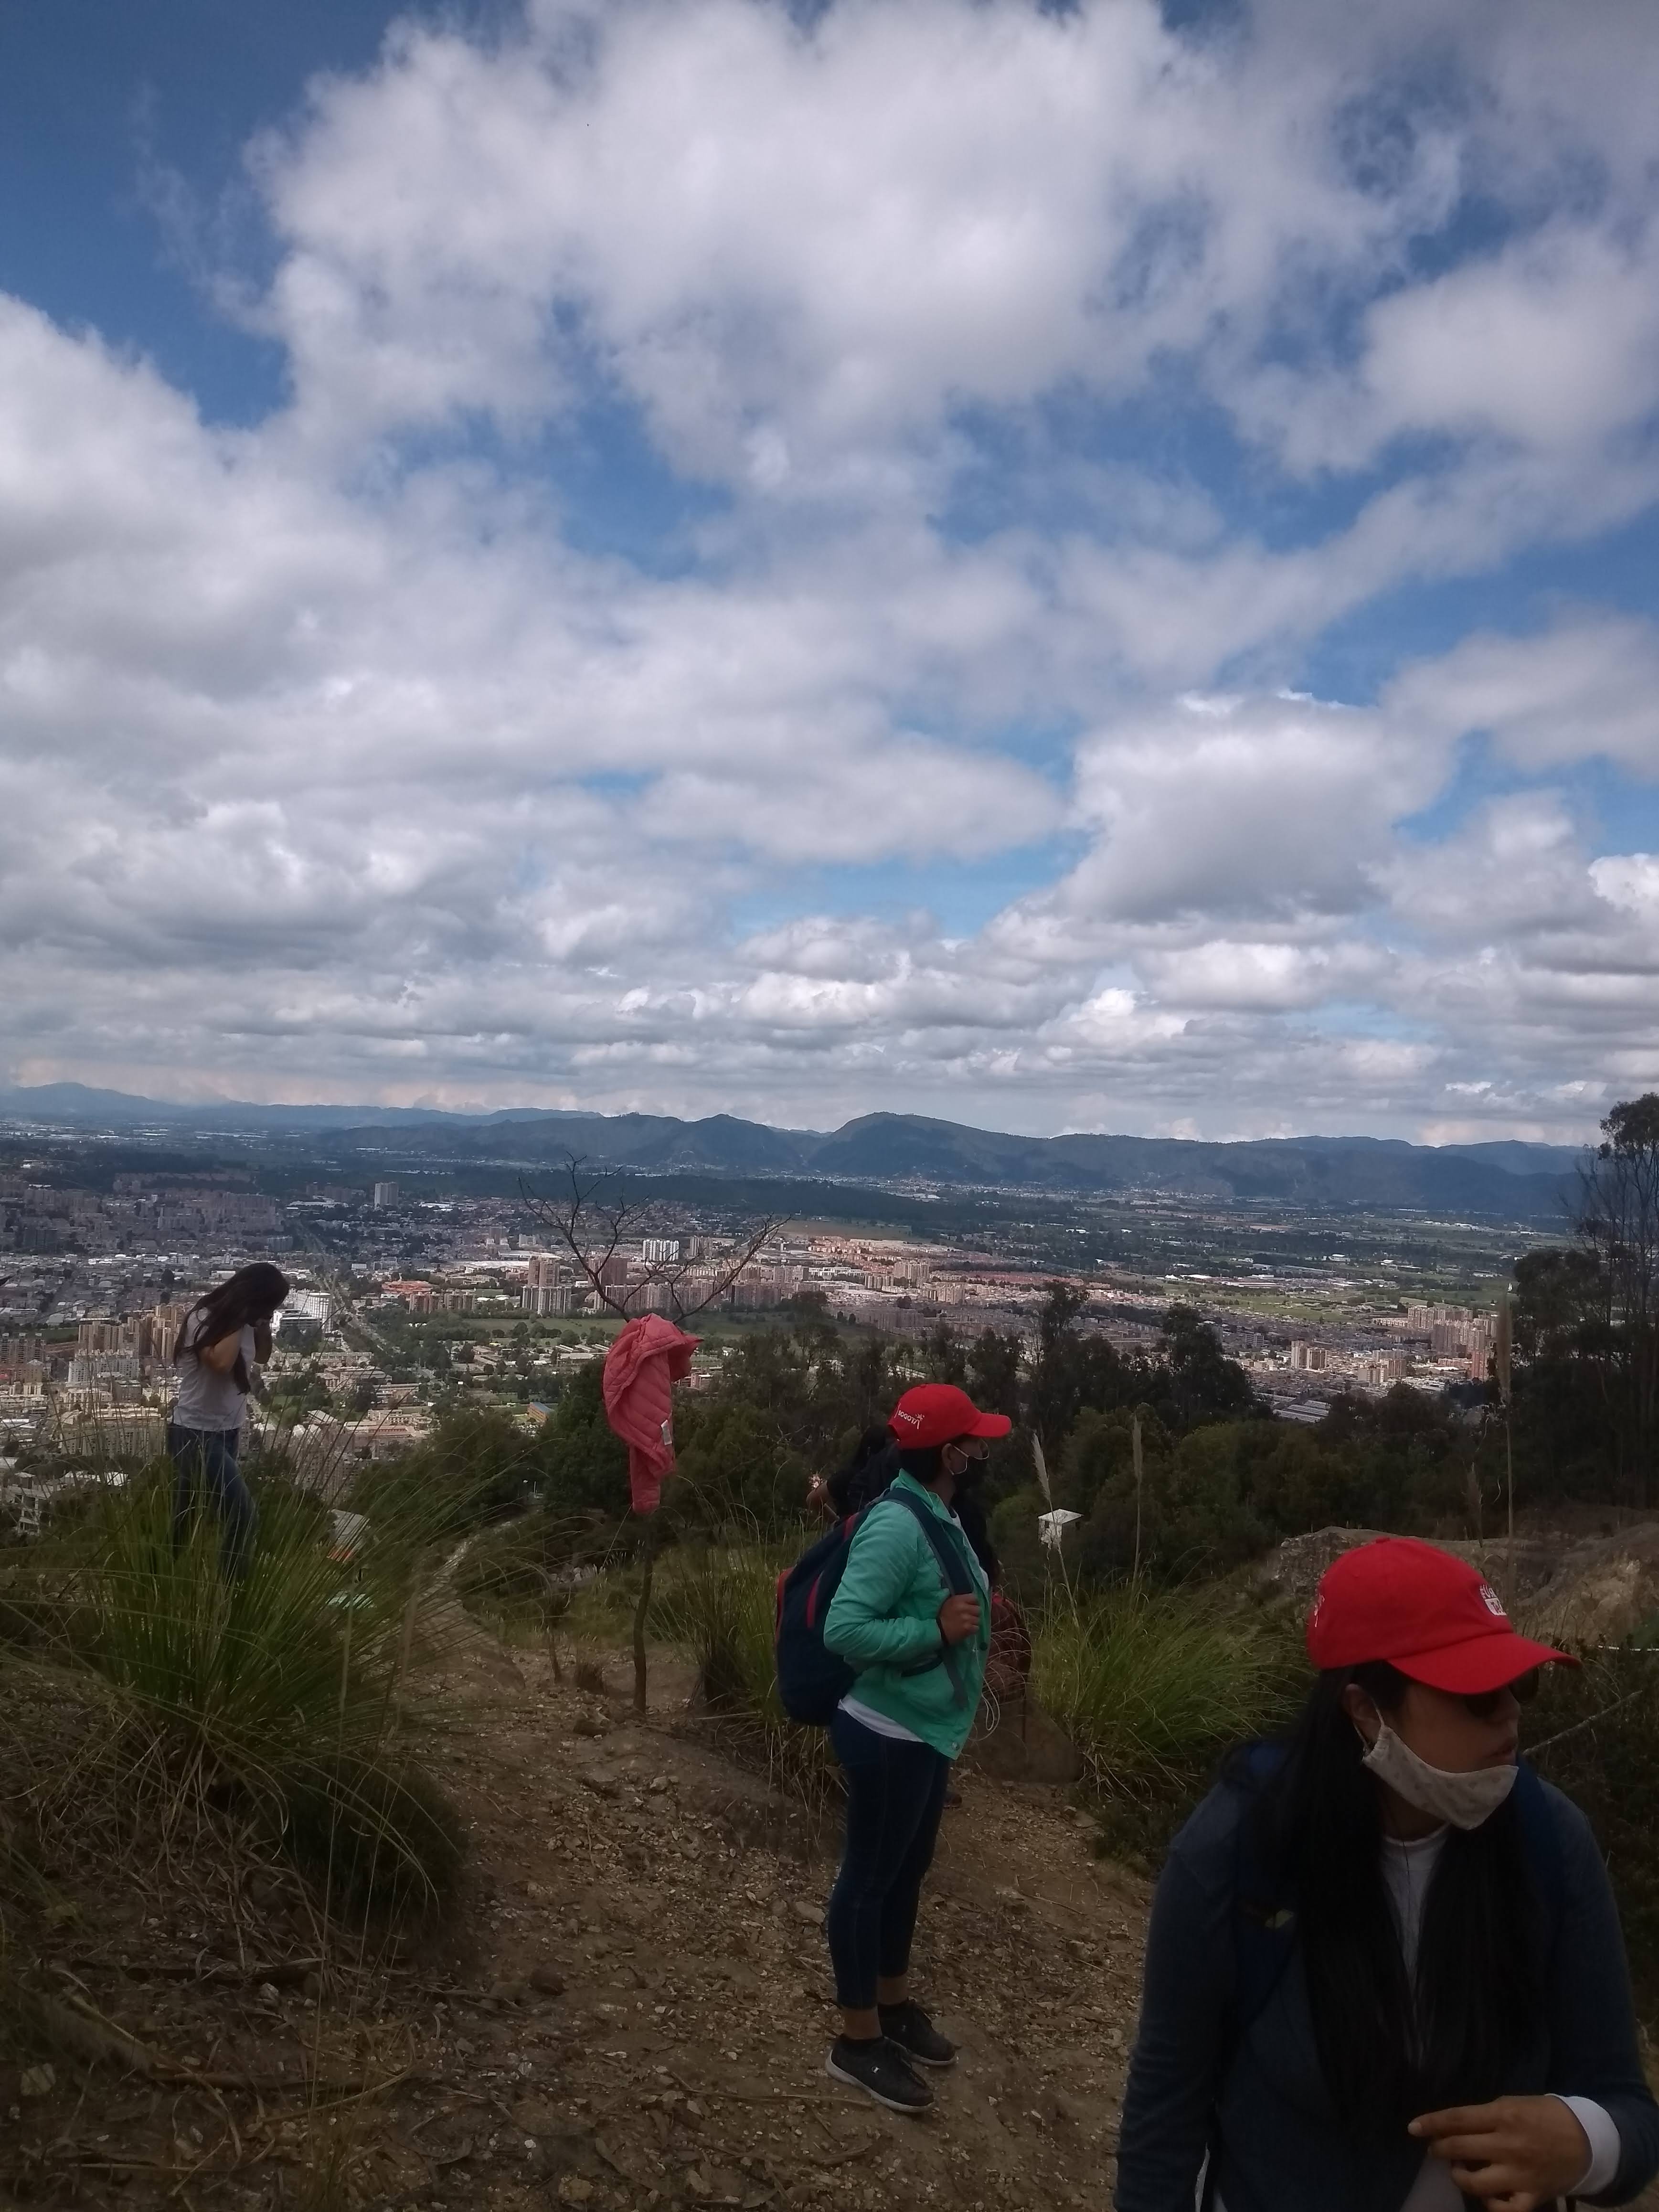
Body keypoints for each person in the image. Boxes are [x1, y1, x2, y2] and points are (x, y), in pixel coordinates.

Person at [1115, 1535, 1659, 2212]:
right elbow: (1163, 2118)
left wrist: (1584, 2144)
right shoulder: (1233, 1852)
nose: (1512, 1716)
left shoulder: (1549, 1841)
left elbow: (1628, 2112)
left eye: (1519, 1683)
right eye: (1479, 1695)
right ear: (1364, 1712)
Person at [819, 1382, 1006, 2115]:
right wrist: (935, 1632)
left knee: (903, 1874)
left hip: (925, 1729)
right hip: (887, 1732)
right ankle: (856, 2041)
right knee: (867, 1881)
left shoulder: (937, 1510)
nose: (983, 1453)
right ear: (948, 1452)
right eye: (974, 1443)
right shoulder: (898, 1525)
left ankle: (892, 2006)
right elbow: (846, 1629)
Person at [168, 1262, 289, 1575]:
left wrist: (262, 1325)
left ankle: (172, 1581)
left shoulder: (245, 1324)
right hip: (194, 1433)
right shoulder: (205, 1318)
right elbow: (222, 1364)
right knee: (242, 1515)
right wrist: (240, 1316)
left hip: (228, 1432)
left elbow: (261, 1356)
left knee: (189, 1519)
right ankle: (228, 1593)